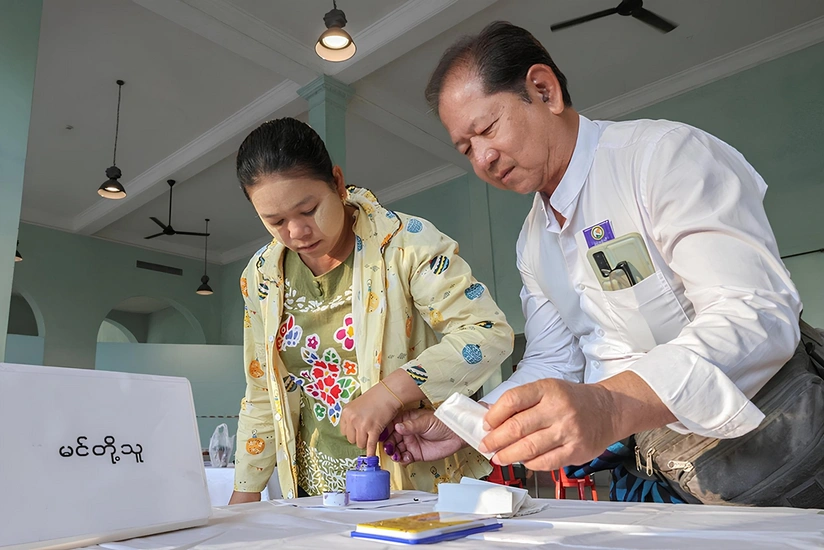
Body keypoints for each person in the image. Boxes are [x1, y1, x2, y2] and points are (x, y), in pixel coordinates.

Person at [383, 21, 803, 502]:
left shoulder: (660, 159)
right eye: (465, 148)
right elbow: (554, 359)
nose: (483, 158)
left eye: (487, 128)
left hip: (762, 455)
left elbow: (756, 312)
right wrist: (471, 423)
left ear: (544, 90)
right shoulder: (533, 243)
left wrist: (610, 405)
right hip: (651, 472)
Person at [228, 118, 514, 503]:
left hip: (412, 479)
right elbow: (263, 389)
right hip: (314, 493)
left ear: (337, 182)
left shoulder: (406, 245)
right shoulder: (262, 277)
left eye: (308, 209)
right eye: (274, 221)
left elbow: (488, 332)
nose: (296, 232)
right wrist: (243, 498)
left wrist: (391, 391)